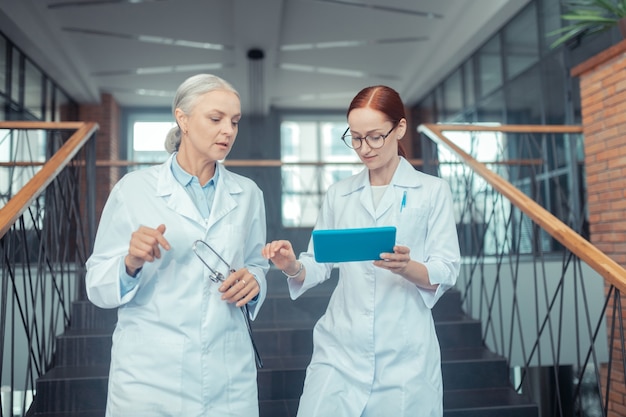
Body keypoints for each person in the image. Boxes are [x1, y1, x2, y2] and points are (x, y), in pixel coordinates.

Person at [262, 85, 461, 417]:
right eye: (355, 138)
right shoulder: (339, 194)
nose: (364, 148)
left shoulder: (432, 191)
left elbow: (446, 268)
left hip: (404, 354)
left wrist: (407, 266)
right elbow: (319, 263)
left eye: (374, 137)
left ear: (399, 128)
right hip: (340, 347)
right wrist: (291, 265)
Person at [85, 74, 269, 417]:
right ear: (182, 118)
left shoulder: (248, 195)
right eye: (215, 119)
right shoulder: (133, 189)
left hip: (227, 371)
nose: (228, 130)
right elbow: (97, 283)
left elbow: (257, 263)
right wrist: (130, 262)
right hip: (151, 376)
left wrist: (254, 282)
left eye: (234, 121)